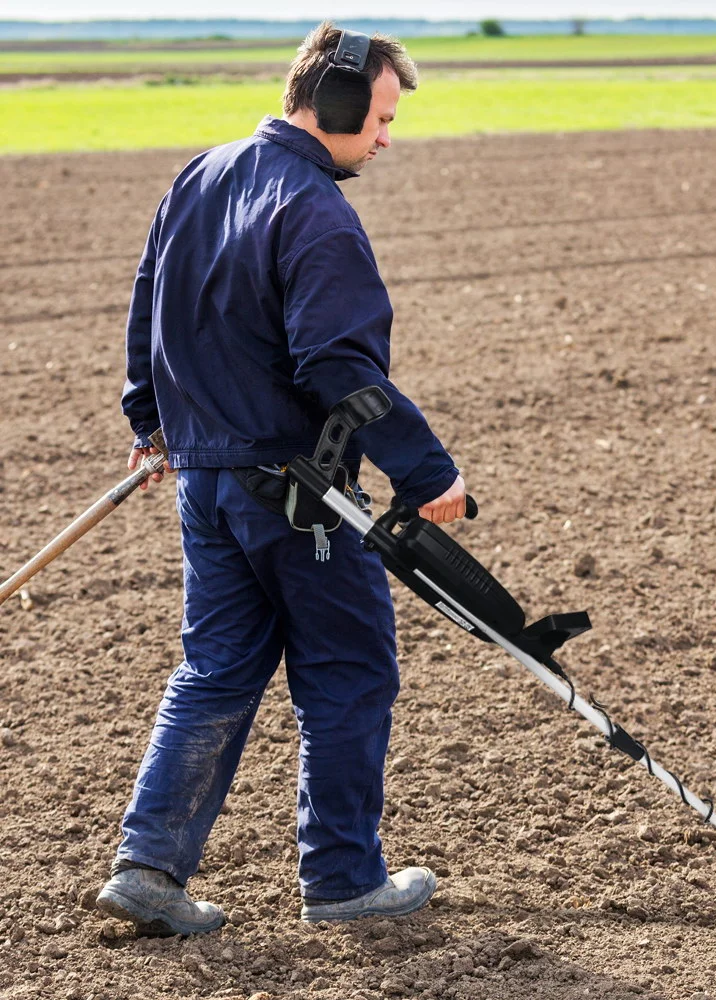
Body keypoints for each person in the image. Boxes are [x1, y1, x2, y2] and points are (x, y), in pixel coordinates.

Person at [96, 22, 466, 936]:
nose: (386, 138)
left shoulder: (200, 175)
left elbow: (149, 309)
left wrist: (151, 423)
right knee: (349, 672)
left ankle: (148, 869)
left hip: (206, 483)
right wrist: (427, 472)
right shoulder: (316, 211)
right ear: (336, 101)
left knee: (215, 670)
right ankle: (342, 880)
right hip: (301, 495)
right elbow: (339, 366)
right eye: (381, 117)